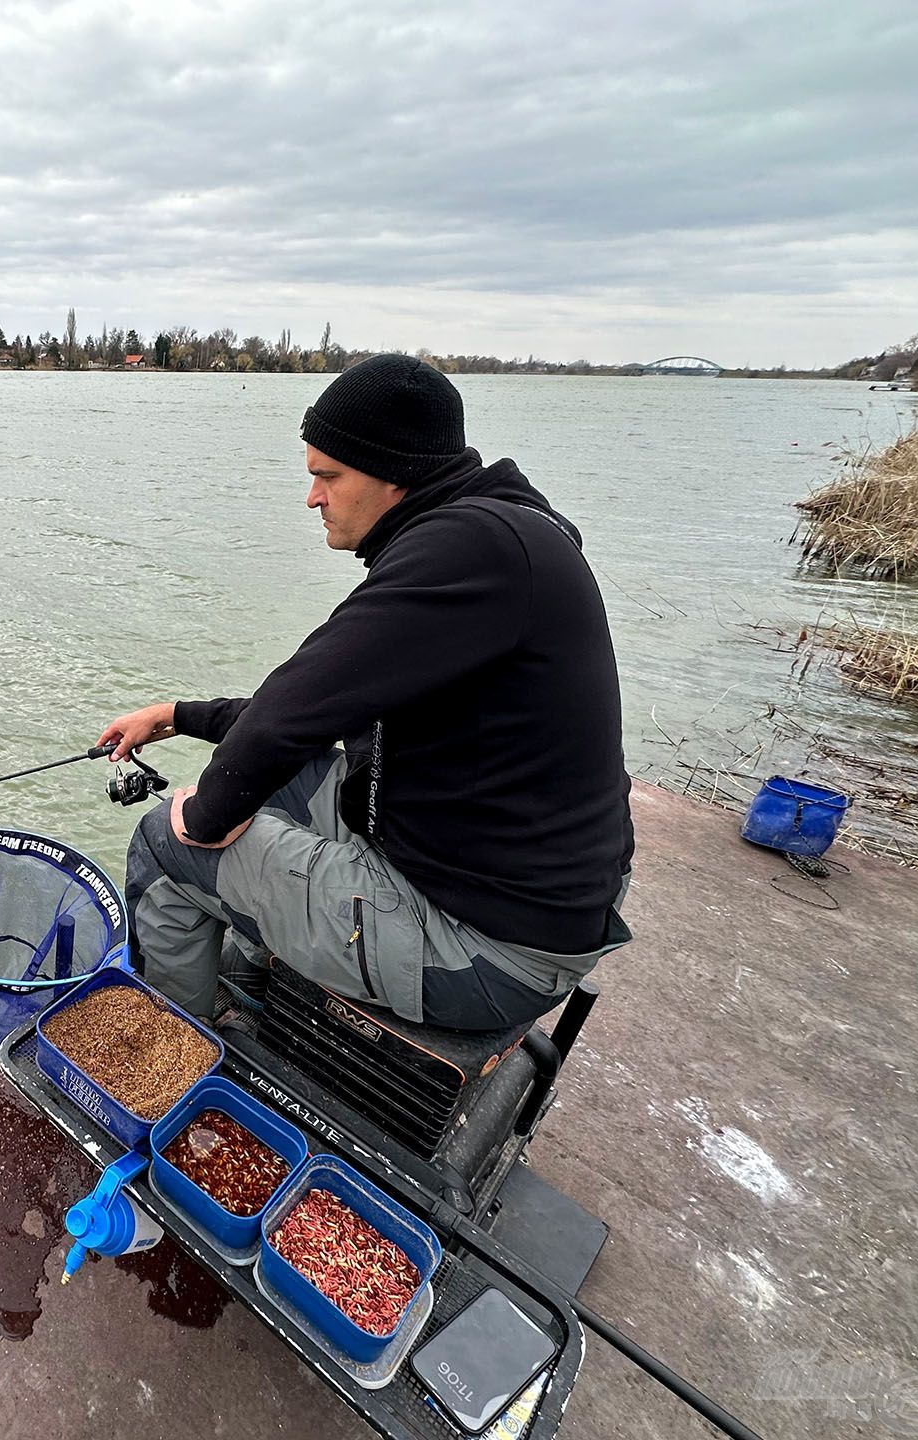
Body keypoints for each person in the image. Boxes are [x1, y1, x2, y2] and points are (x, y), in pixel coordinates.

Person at [99, 354, 633, 1031]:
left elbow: (289, 715)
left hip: (488, 949)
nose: (312, 497)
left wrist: (201, 821)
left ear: (395, 475)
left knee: (162, 844)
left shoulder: (468, 551)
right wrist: (177, 716)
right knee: (296, 784)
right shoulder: (500, 536)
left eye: (328, 476)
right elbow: (319, 709)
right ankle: (257, 961)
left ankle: (175, 1057)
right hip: (511, 883)